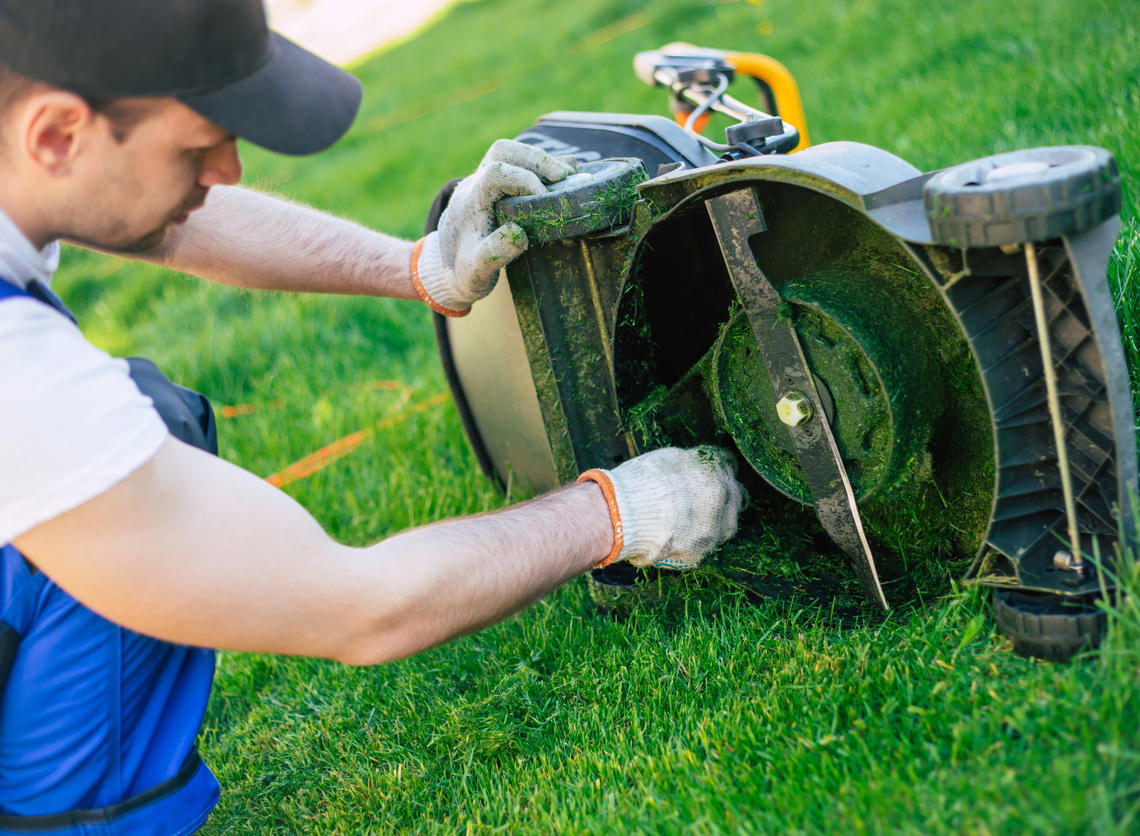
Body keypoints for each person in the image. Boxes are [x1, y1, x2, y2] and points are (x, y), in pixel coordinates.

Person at [0, 0, 747, 832]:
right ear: (57, 136)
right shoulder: (20, 384)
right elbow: (358, 606)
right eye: (197, 143)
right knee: (123, 456)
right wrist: (618, 513)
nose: (230, 170)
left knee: (144, 430)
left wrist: (416, 265)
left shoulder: (29, 158)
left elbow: (164, 216)